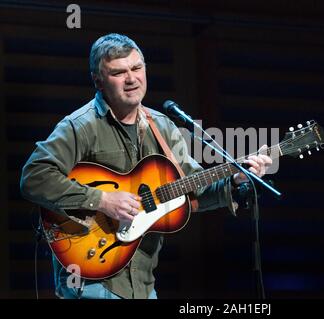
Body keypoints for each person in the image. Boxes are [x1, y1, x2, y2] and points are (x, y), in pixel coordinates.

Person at [20, 33, 272, 299]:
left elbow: (192, 190)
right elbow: (34, 177)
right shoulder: (80, 126)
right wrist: (102, 200)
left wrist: (235, 180)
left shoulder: (163, 126)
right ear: (98, 81)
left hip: (143, 284)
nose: (131, 79)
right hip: (90, 281)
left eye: (137, 68)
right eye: (119, 72)